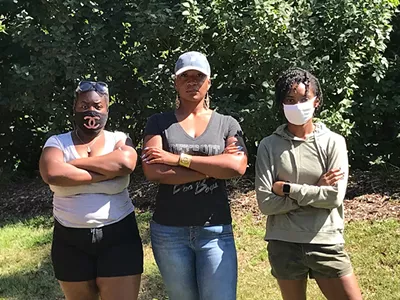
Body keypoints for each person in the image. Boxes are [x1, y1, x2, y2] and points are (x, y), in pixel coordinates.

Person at [141, 51, 247, 300]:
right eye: (185, 76)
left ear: (208, 82)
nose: (192, 82)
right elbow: (153, 170)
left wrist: (177, 159)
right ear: (176, 82)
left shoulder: (227, 123)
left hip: (215, 230)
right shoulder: (158, 123)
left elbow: (237, 167)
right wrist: (213, 168)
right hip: (169, 233)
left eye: (198, 76)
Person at [255, 68, 363, 300]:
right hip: (284, 242)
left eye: (304, 99)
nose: (297, 106)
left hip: (325, 240)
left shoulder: (334, 142)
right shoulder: (268, 146)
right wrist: (317, 189)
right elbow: (266, 204)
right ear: (281, 104)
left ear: (317, 101)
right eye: (290, 100)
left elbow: (334, 197)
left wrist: (287, 189)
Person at [39, 81, 143, 300]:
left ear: (107, 109)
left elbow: (126, 163)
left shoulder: (119, 138)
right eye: (84, 105)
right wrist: (105, 172)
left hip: (119, 237)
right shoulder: (57, 142)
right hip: (69, 241)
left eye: (97, 105)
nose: (91, 111)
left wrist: (72, 165)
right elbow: (52, 172)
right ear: (74, 108)